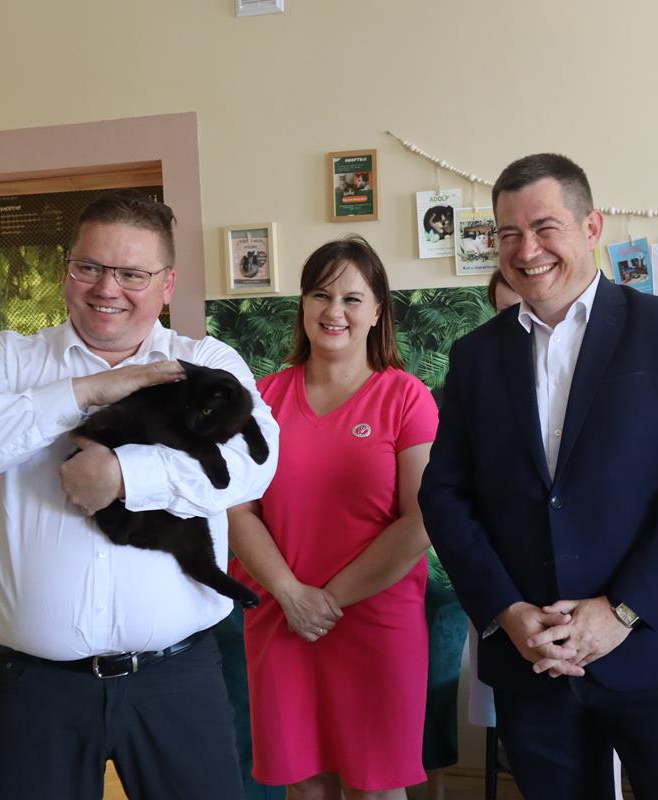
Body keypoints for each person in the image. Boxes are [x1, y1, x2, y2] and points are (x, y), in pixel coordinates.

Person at [0, 190, 278, 800]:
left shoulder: (205, 361)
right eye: (89, 266)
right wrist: (84, 393)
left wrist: (124, 474)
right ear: (68, 270)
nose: (107, 288)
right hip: (34, 690)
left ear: (166, 284)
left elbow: (252, 467)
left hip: (179, 681)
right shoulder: (3, 361)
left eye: (132, 273)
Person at [419, 153, 658, 800]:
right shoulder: (475, 356)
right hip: (532, 658)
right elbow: (445, 495)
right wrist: (506, 611)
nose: (526, 250)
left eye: (545, 227)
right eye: (508, 234)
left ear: (591, 226)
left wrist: (622, 610)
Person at [228, 235, 437, 800]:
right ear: (303, 305)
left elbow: (421, 521)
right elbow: (237, 510)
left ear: (377, 311)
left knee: (377, 788)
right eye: (320, 295)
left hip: (377, 621)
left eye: (352, 298)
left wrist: (326, 601)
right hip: (281, 616)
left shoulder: (407, 398)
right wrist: (291, 595)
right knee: (305, 787)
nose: (334, 311)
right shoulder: (262, 399)